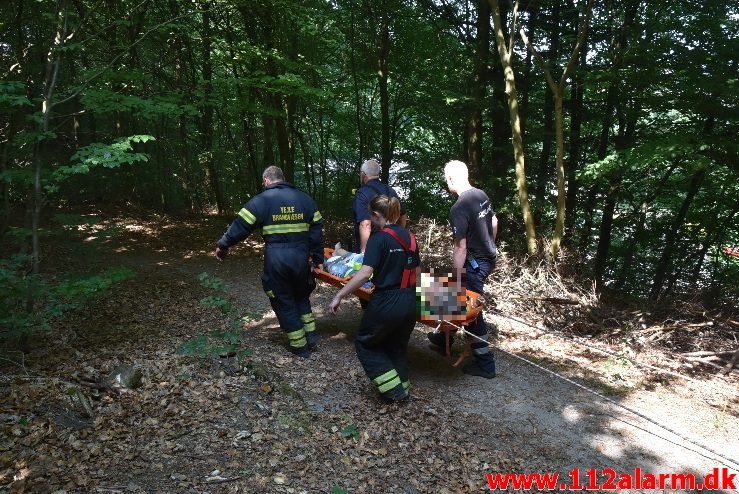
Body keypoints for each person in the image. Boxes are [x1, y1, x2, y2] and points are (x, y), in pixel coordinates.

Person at [214, 166, 324, 358]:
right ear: (283, 178)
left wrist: (223, 245)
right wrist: (317, 259)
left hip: (277, 259)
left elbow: (240, 226)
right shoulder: (305, 199)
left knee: (283, 299)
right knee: (301, 296)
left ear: (266, 181)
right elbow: (317, 232)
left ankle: (300, 347)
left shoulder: (261, 201)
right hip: (301, 257)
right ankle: (311, 337)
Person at [329, 195, 420, 402]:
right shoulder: (410, 237)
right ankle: (403, 386)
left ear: (377, 215)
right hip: (409, 299)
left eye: (371, 215)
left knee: (365, 344)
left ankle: (395, 392)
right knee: (396, 346)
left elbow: (364, 273)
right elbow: (417, 271)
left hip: (387, 300)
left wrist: (340, 294)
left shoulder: (378, 239)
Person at [427, 160, 498, 378]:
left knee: (470, 309)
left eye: (445, 179)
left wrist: (457, 278)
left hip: (475, 263)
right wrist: (490, 247)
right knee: (450, 296)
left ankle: (486, 364)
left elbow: (460, 247)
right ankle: (444, 338)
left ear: (450, 179)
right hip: (486, 258)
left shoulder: (459, 207)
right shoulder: (480, 194)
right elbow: (494, 221)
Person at [352, 159, 407, 254]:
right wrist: (399, 234)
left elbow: (365, 224)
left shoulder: (362, 193)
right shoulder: (390, 190)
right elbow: (403, 215)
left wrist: (364, 253)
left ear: (363, 174)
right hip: (392, 245)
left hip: (374, 245)